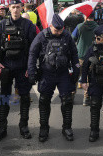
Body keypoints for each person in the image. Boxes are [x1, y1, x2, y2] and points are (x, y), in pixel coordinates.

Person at [27, 14, 80, 142]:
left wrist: (76, 71)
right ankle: (44, 128)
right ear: (50, 26)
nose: (59, 32)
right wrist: (32, 71)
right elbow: (32, 53)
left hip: (63, 73)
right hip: (47, 73)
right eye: (56, 30)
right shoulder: (42, 36)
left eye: (61, 30)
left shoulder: (67, 36)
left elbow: (74, 53)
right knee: (44, 101)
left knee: (67, 101)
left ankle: (67, 127)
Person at [0, 0, 37, 142]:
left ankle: (23, 126)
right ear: (9, 9)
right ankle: (1, 128)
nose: (16, 10)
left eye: (18, 7)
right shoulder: (3, 24)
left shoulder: (28, 25)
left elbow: (33, 48)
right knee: (4, 97)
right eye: (13, 7)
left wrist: (30, 67)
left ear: (22, 8)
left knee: (24, 98)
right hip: (6, 67)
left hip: (22, 67)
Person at [74, 12, 98, 102]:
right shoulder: (97, 27)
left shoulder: (80, 26)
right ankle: (86, 97)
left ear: (85, 16)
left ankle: (71, 96)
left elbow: (73, 38)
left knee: (76, 76)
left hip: (80, 55)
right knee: (89, 77)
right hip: (92, 55)